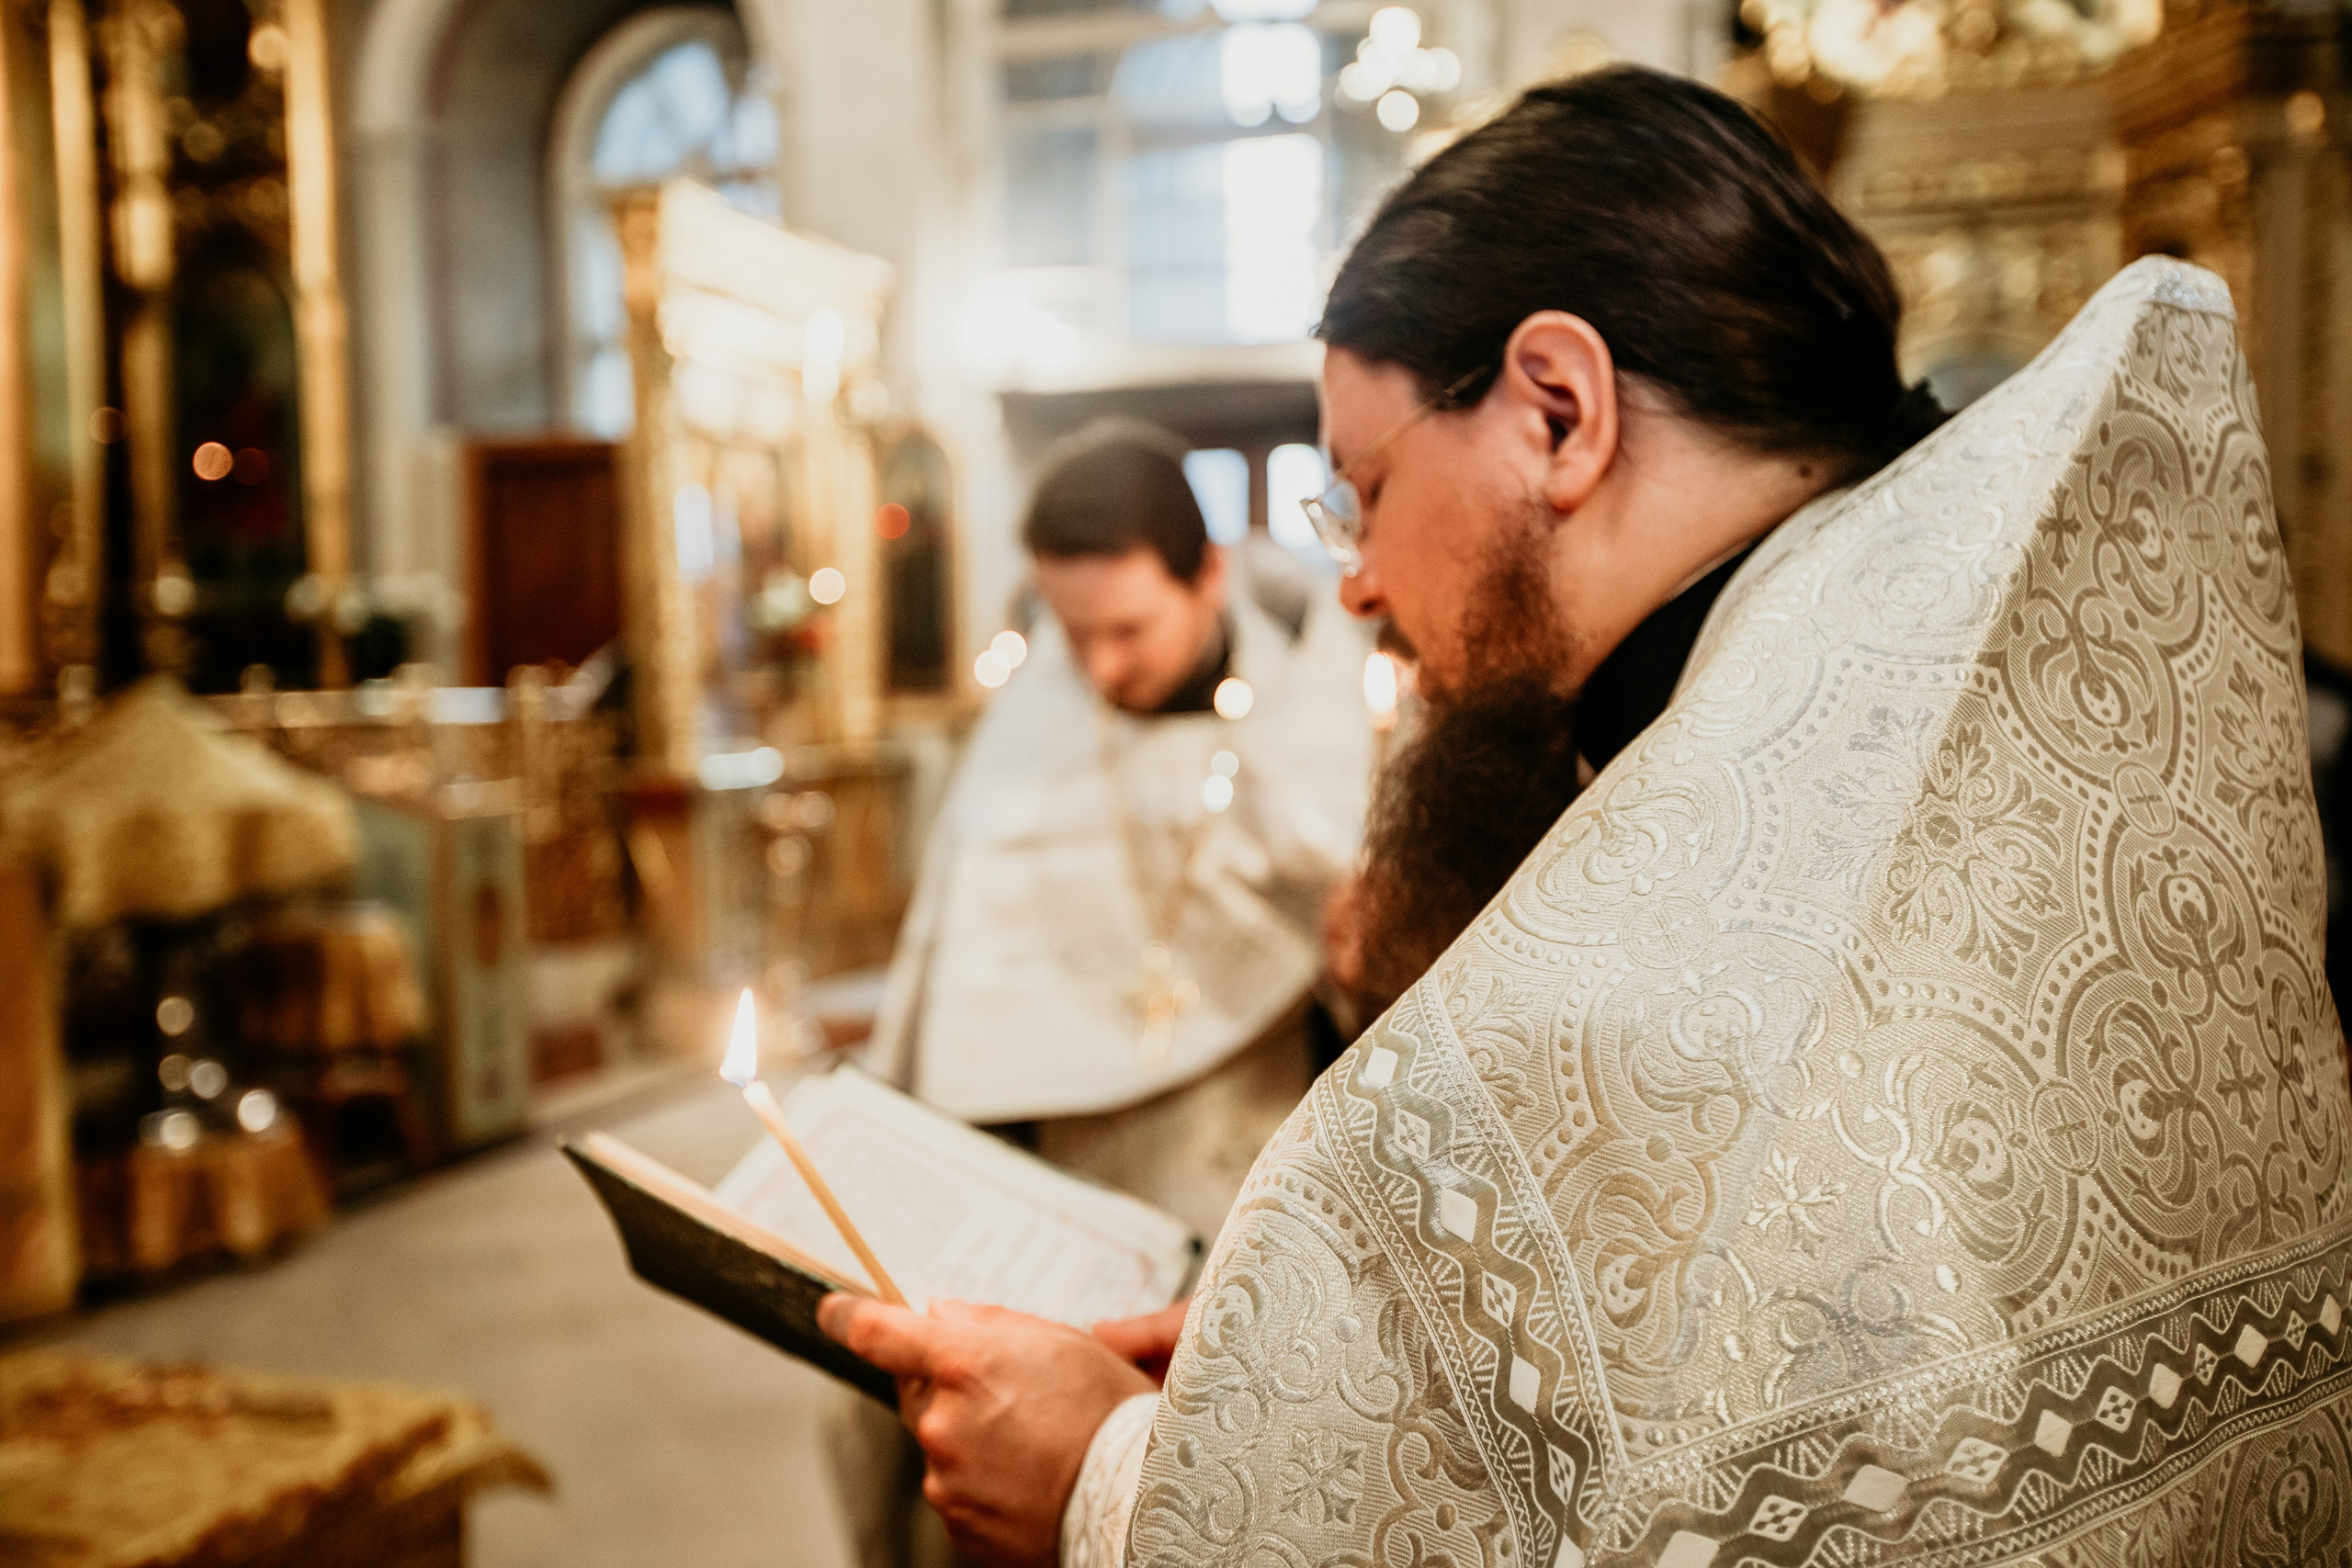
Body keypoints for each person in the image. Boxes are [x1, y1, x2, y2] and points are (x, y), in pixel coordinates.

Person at [823, 67, 2351, 1566]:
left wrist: (1104, 1480)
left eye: (1361, 489)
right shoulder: (1948, 739)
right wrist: (1280, 1378)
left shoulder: (1667, 933)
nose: (1354, 578)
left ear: (1558, 409)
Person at [831, 418, 1370, 1568]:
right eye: (1072, 634)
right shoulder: (1037, 732)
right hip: (1058, 1180)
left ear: (1206, 575)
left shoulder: (1309, 728)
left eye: (1128, 628)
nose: (1102, 668)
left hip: (1241, 1172)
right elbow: (958, 971)